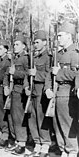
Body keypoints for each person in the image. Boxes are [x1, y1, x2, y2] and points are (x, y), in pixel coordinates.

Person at [45, 21, 79, 157]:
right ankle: (63, 150)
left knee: (67, 125)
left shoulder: (75, 53)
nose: (58, 38)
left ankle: (72, 151)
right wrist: (47, 88)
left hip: (68, 94)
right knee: (57, 125)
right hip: (56, 94)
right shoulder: (58, 54)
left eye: (61, 35)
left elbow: (77, 74)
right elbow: (49, 73)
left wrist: (59, 73)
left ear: (69, 36)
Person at [3, 34, 30, 155]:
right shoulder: (15, 58)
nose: (14, 46)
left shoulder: (26, 58)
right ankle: (16, 140)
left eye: (17, 44)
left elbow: (28, 74)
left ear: (24, 46)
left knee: (19, 117)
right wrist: (6, 86)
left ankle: (22, 142)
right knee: (12, 117)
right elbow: (7, 74)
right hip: (13, 90)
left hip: (21, 89)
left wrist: (16, 73)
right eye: (14, 44)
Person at [27, 30, 52, 157]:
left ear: (45, 42)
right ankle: (37, 143)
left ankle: (45, 144)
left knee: (42, 119)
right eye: (34, 42)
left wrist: (35, 74)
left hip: (42, 92)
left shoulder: (49, 57)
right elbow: (28, 73)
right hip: (33, 92)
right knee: (33, 119)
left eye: (37, 42)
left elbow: (49, 75)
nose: (35, 45)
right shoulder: (34, 57)